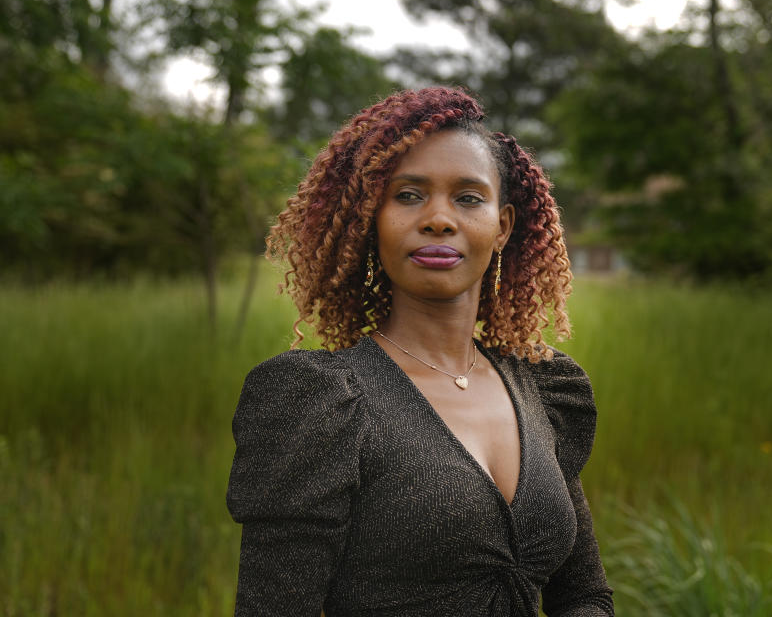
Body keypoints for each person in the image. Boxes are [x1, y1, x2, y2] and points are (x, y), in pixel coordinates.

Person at [226, 87, 614, 616]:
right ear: (372, 219)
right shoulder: (321, 400)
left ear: (502, 227)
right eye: (408, 195)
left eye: (468, 197)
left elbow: (585, 598)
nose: (438, 218)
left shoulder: (543, 387)